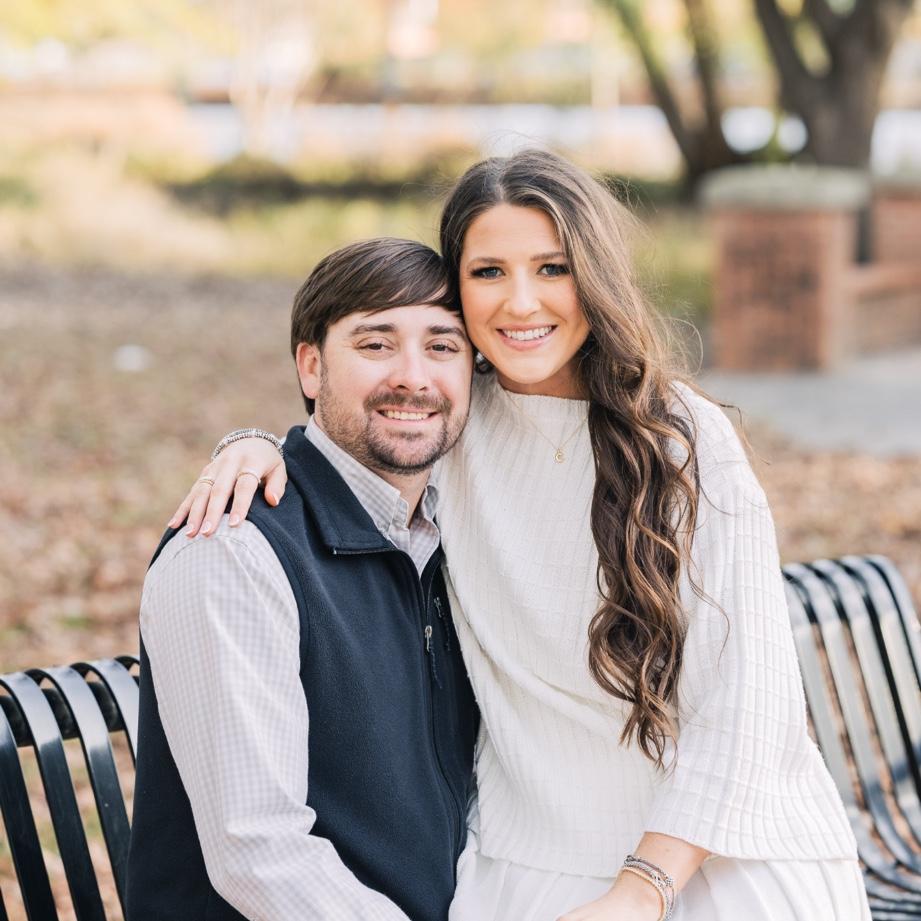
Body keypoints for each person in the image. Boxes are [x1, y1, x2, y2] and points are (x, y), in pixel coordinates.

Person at [174, 149, 870, 921]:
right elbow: (356, 431)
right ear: (456, 288)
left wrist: (639, 892)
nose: (520, 301)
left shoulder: (681, 439)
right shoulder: (452, 425)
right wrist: (253, 443)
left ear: (594, 277)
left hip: (715, 855)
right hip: (525, 861)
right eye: (488, 272)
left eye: (551, 268)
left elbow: (748, 703)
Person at [126, 238, 479, 921]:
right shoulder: (233, 552)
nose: (414, 377)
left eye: (442, 346)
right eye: (375, 344)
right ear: (311, 366)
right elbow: (259, 852)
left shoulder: (448, 534)